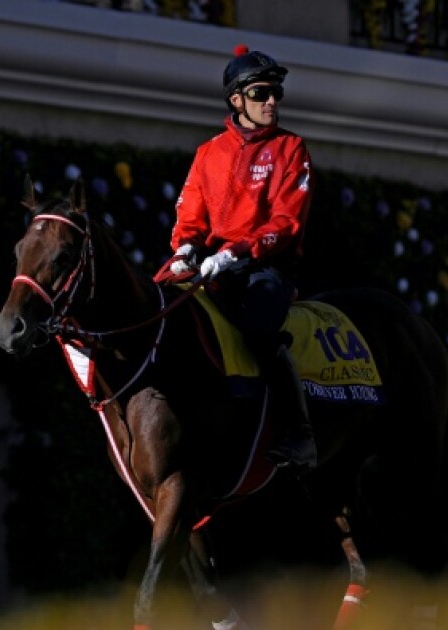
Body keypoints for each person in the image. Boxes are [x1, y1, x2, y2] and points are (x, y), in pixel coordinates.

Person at [168, 44, 317, 470]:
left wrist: (239, 251)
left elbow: (287, 222)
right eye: (261, 93)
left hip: (266, 268)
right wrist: (185, 248)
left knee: (259, 329)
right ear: (236, 100)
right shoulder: (207, 153)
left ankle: (299, 434)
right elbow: (191, 216)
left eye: (276, 94)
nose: (272, 101)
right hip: (212, 266)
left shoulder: (291, 149)